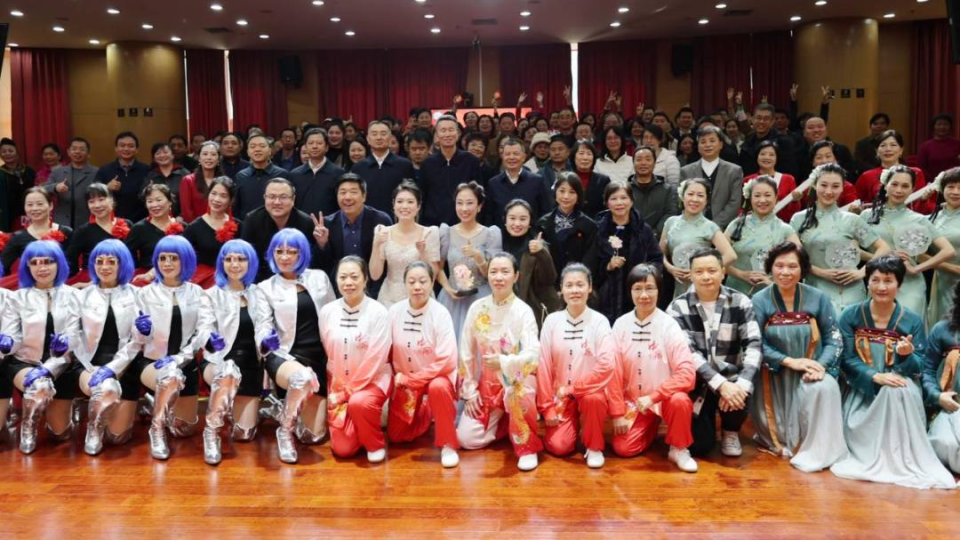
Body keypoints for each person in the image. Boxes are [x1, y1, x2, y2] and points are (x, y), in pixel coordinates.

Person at [830, 255, 957, 489]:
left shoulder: (912, 320)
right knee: (890, 389)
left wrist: (905, 355)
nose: (881, 287)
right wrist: (874, 376)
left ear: (899, 284)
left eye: (888, 281)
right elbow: (846, 358)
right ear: (867, 282)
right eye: (875, 280)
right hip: (861, 389)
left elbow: (920, 366)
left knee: (897, 388)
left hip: (900, 384)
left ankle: (900, 457)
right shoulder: (850, 315)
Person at [750, 242, 848, 471]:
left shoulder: (819, 297)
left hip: (812, 372)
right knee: (780, 436)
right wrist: (789, 361)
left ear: (803, 269)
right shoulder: (759, 300)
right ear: (770, 268)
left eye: (792, 266)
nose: (785, 272)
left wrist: (819, 366)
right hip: (774, 375)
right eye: (779, 266)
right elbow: (754, 343)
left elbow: (834, 338)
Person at [666, 248, 762, 458]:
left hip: (731, 378)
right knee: (700, 447)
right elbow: (688, 353)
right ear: (691, 274)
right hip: (697, 382)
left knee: (742, 388)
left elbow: (754, 344)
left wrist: (741, 384)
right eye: (699, 271)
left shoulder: (740, 301)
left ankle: (730, 430)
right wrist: (720, 384)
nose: (706, 276)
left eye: (712, 270)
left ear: (723, 271)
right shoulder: (677, 307)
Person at [457, 252, 544, 471]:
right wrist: (470, 391)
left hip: (517, 382)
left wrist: (504, 363)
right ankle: (505, 423)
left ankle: (527, 448)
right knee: (466, 439)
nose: (498, 277)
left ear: (516, 276)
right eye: (494, 271)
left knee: (518, 393)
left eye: (505, 272)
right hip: (487, 386)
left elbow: (534, 354)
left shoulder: (523, 311)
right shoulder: (477, 308)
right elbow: (466, 353)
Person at [254, 229, 336, 464]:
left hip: (318, 356)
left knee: (312, 436)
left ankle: (281, 408)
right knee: (302, 378)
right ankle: (284, 430)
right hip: (284, 355)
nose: (284, 256)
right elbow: (262, 325)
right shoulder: (265, 287)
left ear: (302, 254)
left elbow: (333, 313)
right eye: (279, 251)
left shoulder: (319, 277)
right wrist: (265, 340)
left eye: (291, 251)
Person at [609, 264, 697, 472]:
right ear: (630, 291)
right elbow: (613, 371)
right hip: (634, 402)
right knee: (623, 448)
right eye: (637, 289)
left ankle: (679, 448)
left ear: (659, 291)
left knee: (680, 400)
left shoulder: (669, 325)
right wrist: (617, 412)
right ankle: (649, 426)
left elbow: (687, 373)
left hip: (663, 399)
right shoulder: (620, 325)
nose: (644, 295)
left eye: (650, 288)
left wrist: (654, 396)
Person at [122, 236, 205, 460]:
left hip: (185, 364)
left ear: (185, 260)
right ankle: (156, 427)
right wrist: (142, 330)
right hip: (152, 363)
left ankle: (157, 403)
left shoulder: (198, 293)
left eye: (173, 258)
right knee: (169, 379)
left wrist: (180, 359)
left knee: (184, 430)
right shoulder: (144, 293)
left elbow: (202, 333)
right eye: (162, 258)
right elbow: (136, 337)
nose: (167, 263)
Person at [0, 241, 80, 454]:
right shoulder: (17, 297)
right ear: (27, 267)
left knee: (60, 434)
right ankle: (28, 426)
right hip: (25, 362)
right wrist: (7, 343)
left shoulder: (74, 295)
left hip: (62, 365)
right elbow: (12, 335)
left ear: (59, 264)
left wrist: (65, 346)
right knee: (39, 386)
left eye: (47, 262)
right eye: (34, 263)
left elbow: (76, 335)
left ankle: (61, 411)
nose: (41, 267)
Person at [537, 263, 615, 468]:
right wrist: (547, 408)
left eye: (580, 285)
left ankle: (594, 445)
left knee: (594, 398)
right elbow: (543, 365)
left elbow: (607, 365)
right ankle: (574, 428)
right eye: (569, 285)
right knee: (559, 447)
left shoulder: (600, 322)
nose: (574, 290)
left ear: (590, 287)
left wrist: (574, 388)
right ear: (561, 290)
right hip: (561, 396)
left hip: (589, 393)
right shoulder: (552, 321)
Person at [386, 261, 460, 467]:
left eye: (422, 281)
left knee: (438, 387)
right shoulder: (394, 312)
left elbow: (447, 360)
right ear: (404, 284)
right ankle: (426, 410)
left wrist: (414, 380)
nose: (417, 286)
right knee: (397, 436)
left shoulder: (440, 313)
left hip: (434, 378)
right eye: (411, 282)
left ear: (432, 282)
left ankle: (448, 443)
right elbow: (387, 350)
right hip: (405, 381)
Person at [195, 240, 263, 465]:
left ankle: (233, 407)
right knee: (227, 374)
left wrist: (267, 339)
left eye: (241, 259)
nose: (234, 264)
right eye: (229, 259)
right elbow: (203, 328)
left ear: (250, 263)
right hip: (219, 362)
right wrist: (209, 340)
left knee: (244, 434)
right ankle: (211, 431)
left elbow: (265, 324)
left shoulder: (259, 292)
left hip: (250, 366)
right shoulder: (210, 294)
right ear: (221, 262)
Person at [318, 256, 392, 462]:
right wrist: (340, 388)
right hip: (339, 382)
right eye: (343, 277)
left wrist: (349, 391)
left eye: (354, 277)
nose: (348, 282)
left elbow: (376, 358)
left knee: (359, 403)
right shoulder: (327, 311)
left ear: (365, 279)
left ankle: (375, 443)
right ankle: (359, 426)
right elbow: (328, 350)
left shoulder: (378, 312)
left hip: (372, 381)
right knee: (343, 449)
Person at [791, 164, 891, 314]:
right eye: (823, 185)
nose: (829, 191)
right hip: (814, 287)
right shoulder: (799, 219)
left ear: (842, 188)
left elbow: (884, 248)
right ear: (814, 185)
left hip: (851, 290)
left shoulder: (852, 220)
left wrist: (862, 272)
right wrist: (820, 272)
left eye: (835, 186)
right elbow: (792, 256)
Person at [73, 239, 140, 455]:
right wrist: (89, 366)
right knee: (105, 388)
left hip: (125, 367)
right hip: (89, 366)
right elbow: (73, 335)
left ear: (122, 264)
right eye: (99, 261)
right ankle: (93, 428)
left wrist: (113, 368)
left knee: (117, 437)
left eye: (111, 261)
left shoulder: (137, 295)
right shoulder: (81, 295)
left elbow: (138, 340)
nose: (104, 267)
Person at [862, 166, 955, 317]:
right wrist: (881, 257)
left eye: (905, 186)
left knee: (906, 325)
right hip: (878, 281)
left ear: (912, 190)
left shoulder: (918, 219)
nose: (899, 190)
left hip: (910, 284)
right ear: (885, 185)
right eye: (894, 184)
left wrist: (917, 269)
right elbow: (853, 248)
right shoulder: (867, 216)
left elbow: (948, 251)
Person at [436, 182, 502, 341]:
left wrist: (479, 257)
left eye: (470, 203)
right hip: (451, 298)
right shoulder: (447, 232)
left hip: (480, 298)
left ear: (479, 206)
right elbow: (438, 267)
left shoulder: (490, 234)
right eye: (460, 203)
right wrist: (448, 288)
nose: (464, 208)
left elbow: (492, 275)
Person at [313, 173, 393, 294]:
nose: (347, 197)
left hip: (374, 288)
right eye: (343, 192)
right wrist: (322, 244)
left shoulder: (381, 220)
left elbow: (388, 260)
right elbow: (323, 265)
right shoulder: (327, 224)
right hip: (340, 289)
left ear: (364, 196)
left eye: (353, 192)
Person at [596, 182, 663, 322]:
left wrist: (644, 273)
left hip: (639, 293)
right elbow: (591, 264)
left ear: (631, 201)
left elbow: (656, 259)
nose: (619, 203)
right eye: (614, 198)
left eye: (623, 198)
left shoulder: (643, 229)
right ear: (607, 203)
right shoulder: (598, 230)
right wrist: (607, 266)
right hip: (607, 297)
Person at [661, 179, 737, 300]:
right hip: (675, 283)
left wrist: (703, 271)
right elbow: (660, 253)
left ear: (706, 201)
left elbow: (730, 255)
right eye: (690, 194)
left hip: (702, 285)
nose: (695, 199)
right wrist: (670, 268)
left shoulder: (709, 226)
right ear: (682, 196)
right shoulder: (671, 222)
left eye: (700, 195)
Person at [369, 182, 441, 308]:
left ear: (418, 206)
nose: (404, 206)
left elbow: (433, 276)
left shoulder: (429, 233)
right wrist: (376, 245)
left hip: (420, 297)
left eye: (410, 202)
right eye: (400, 201)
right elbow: (375, 275)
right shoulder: (382, 232)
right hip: (389, 299)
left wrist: (423, 252)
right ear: (393, 205)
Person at [724, 176, 799, 296]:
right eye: (757, 195)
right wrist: (740, 274)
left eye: (767, 195)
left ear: (776, 197)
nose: (762, 200)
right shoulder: (736, 225)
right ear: (750, 198)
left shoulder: (785, 229)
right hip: (736, 292)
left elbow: (800, 263)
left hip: (772, 296)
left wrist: (771, 282)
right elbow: (717, 259)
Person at [240, 178, 320, 282]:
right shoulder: (252, 219)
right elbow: (247, 256)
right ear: (264, 198)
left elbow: (310, 260)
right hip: (260, 280)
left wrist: (321, 243)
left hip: (296, 279)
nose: (277, 202)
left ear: (293, 200)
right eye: (272, 197)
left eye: (283, 197)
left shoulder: (306, 222)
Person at [500, 200, 562, 328]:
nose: (517, 223)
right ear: (505, 220)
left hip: (535, 311)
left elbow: (549, 279)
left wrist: (541, 253)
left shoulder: (537, 246)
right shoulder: (499, 245)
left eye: (523, 219)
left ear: (530, 222)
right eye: (512, 218)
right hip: (506, 309)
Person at [0, 187, 73, 290]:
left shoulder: (66, 232)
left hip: (61, 288)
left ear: (51, 205)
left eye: (40, 204)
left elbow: (73, 264)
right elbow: (3, 266)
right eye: (29, 205)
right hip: (30, 290)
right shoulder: (18, 237)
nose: (34, 208)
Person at [923, 280, 960, 473]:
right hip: (951, 407)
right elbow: (927, 371)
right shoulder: (942, 330)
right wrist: (938, 396)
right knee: (945, 444)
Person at [535, 172, 599, 281]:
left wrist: (578, 280)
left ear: (578, 195)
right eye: (562, 191)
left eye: (572, 192)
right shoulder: (543, 224)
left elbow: (590, 260)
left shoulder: (589, 226)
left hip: (578, 282)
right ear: (555, 193)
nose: (566, 196)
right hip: (549, 283)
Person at [419, 116, 482, 227]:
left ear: (457, 133)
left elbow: (479, 195)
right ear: (437, 135)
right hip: (433, 225)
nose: (447, 134)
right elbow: (422, 197)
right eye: (443, 130)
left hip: (465, 223)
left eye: (451, 130)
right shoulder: (427, 164)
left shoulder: (471, 161)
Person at [65, 183, 132, 286]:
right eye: (91, 201)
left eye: (101, 200)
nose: (97, 205)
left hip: (124, 276)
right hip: (91, 279)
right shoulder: (83, 231)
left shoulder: (127, 224)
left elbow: (134, 256)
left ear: (112, 200)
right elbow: (70, 261)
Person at [679, 126, 743, 230]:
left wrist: (713, 226)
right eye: (703, 142)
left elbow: (734, 203)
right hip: (693, 227)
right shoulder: (686, 171)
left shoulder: (734, 171)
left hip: (725, 229)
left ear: (721, 144)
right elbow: (682, 202)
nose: (707, 145)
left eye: (712, 141)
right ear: (698, 146)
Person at [855, 130, 934, 214]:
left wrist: (923, 200)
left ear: (901, 150)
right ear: (877, 151)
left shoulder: (915, 173)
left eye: (893, 145)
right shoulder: (866, 176)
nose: (888, 149)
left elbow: (920, 208)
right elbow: (855, 204)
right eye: (883, 145)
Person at [183, 177, 242, 289]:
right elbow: (183, 256)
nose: (216, 199)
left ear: (231, 200)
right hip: (203, 283)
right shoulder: (194, 228)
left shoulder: (239, 226)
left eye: (223, 196)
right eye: (213, 194)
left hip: (233, 281)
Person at [351, 120, 416, 215]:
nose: (379, 137)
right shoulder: (359, 167)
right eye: (374, 134)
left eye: (383, 134)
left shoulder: (404, 165)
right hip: (367, 218)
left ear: (390, 138)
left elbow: (411, 195)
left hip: (398, 218)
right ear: (368, 139)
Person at [484, 138, 552, 227]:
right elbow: (489, 216)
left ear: (523, 157)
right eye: (507, 154)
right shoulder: (493, 183)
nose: (511, 157)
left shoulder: (537, 181)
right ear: (502, 157)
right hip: (501, 234)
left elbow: (545, 213)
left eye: (516, 154)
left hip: (530, 234)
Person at [126, 184, 184, 285]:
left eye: (158, 200)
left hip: (177, 276)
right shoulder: (139, 229)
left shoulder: (182, 227)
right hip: (147, 278)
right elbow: (127, 256)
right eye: (150, 201)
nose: (154, 205)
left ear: (170, 202)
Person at [928, 167, 960, 325]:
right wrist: (948, 267)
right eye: (951, 186)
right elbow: (918, 254)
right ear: (942, 189)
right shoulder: (930, 219)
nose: (956, 192)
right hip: (940, 280)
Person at [289, 128, 345, 217]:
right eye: (310, 143)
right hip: (302, 223)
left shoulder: (339, 173)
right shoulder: (295, 174)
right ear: (305, 147)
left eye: (319, 143)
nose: (314, 146)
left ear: (326, 147)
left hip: (329, 223)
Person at [45, 137, 98, 229]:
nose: (77, 152)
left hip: (87, 221)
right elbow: (42, 189)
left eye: (82, 149)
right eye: (74, 149)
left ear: (88, 153)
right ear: (68, 152)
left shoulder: (96, 172)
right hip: (62, 222)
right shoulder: (58, 172)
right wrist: (56, 187)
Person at [233, 134, 291, 218]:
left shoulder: (282, 174)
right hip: (247, 224)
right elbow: (236, 207)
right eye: (253, 147)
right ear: (248, 152)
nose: (257, 149)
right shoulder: (241, 176)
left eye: (262, 146)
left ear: (270, 150)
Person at [743, 141, 801, 222]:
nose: (767, 157)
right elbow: (741, 208)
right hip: (753, 224)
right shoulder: (747, 180)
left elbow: (794, 211)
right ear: (757, 156)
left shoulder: (788, 179)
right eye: (763, 154)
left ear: (777, 158)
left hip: (781, 224)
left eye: (771, 155)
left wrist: (795, 201)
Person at [628, 147, 678, 239]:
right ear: (633, 163)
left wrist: (654, 233)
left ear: (655, 163)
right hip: (630, 237)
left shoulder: (667, 189)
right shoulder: (625, 189)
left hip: (659, 238)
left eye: (648, 159)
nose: (643, 163)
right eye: (639, 159)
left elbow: (670, 214)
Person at [739, 103, 799, 178]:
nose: (761, 121)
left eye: (766, 119)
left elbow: (790, 171)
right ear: (752, 119)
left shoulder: (784, 142)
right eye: (758, 118)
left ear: (772, 121)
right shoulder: (748, 141)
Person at [798, 117, 859, 181]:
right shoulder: (797, 153)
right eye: (811, 127)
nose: (816, 130)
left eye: (820, 126)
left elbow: (851, 176)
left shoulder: (841, 150)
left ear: (826, 130)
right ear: (804, 132)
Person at [179, 140, 222, 223]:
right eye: (205, 154)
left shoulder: (223, 181)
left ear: (218, 159)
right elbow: (187, 212)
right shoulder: (188, 181)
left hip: (220, 226)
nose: (209, 157)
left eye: (213, 154)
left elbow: (228, 208)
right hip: (195, 227)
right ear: (199, 158)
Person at [0, 137, 38, 231]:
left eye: (10, 151)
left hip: (31, 212)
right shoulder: (1, 173)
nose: (7, 153)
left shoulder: (29, 171)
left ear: (17, 153)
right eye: (4, 152)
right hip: (9, 216)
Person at [143, 143, 190, 217]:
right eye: (158, 153)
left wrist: (182, 217)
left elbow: (191, 199)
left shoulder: (184, 173)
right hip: (157, 217)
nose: (162, 155)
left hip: (182, 219)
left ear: (173, 155)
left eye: (165, 152)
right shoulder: (150, 176)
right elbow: (143, 198)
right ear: (154, 158)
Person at [570, 140, 611, 220]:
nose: (585, 157)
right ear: (574, 157)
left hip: (597, 223)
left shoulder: (603, 180)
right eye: (581, 153)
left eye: (589, 154)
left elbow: (607, 208)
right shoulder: (565, 180)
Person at [918, 114, 960, 181]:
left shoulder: (957, 144)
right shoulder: (925, 146)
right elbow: (921, 167)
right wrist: (935, 181)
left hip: (954, 181)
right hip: (931, 182)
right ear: (934, 127)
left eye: (946, 124)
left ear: (950, 127)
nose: (942, 127)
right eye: (939, 124)